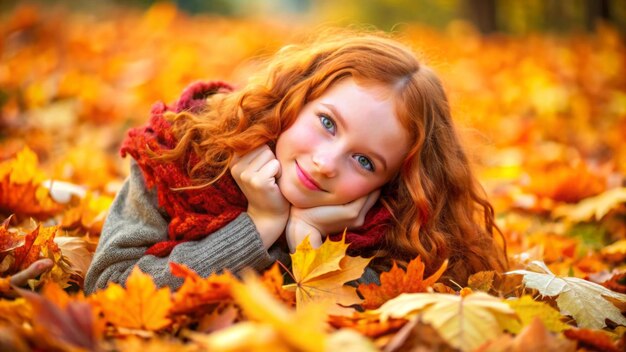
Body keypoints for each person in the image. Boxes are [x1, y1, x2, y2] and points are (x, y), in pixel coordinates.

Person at [84, 30, 507, 294]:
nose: (325, 163)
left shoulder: (392, 229)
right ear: (293, 99)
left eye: (364, 161)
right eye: (327, 122)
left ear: (395, 182)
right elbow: (108, 288)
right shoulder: (181, 152)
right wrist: (258, 228)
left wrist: (308, 249)